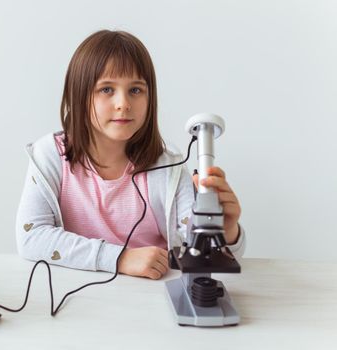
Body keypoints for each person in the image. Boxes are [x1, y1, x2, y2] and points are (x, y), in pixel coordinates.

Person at [15, 30, 246, 280]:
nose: (123, 103)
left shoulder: (169, 166)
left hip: (150, 296)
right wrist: (120, 258)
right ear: (79, 96)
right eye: (106, 89)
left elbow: (196, 251)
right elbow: (31, 237)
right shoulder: (50, 155)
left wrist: (228, 229)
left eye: (135, 90)